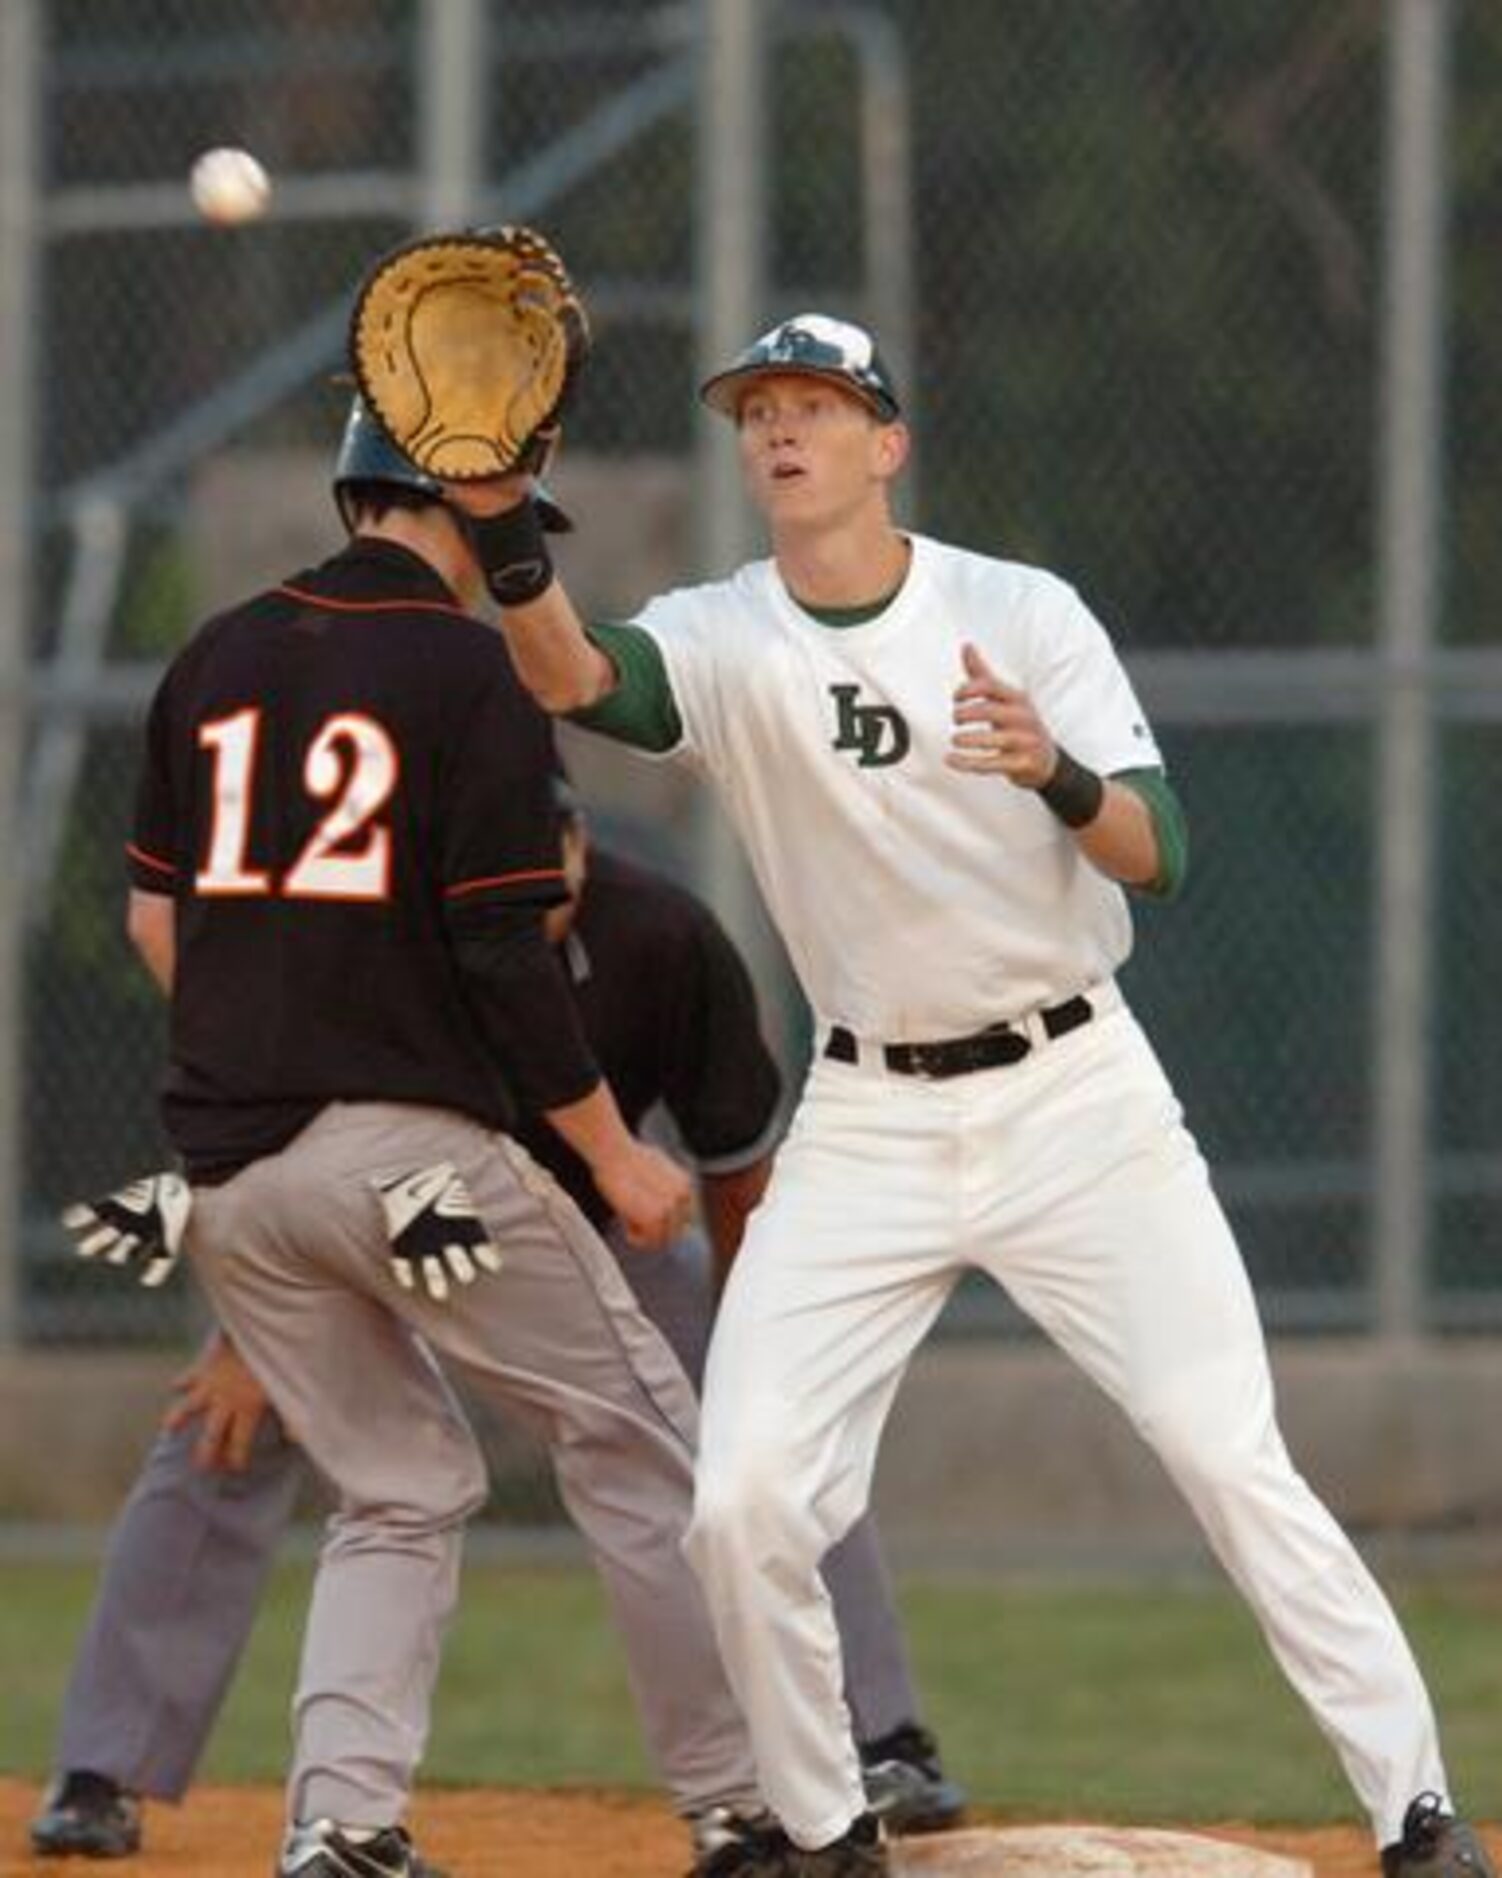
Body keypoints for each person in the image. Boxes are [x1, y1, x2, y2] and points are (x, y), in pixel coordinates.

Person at [460, 312, 1496, 1878]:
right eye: (759, 411)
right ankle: (822, 1828)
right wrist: (502, 542)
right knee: (740, 1499)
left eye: (817, 405)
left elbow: (1163, 846)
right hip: (870, 1113)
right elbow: (585, 678)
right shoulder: (731, 631)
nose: (781, 431)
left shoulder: (1017, 612)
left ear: (887, 444)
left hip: (1075, 1094)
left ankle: (1414, 1809)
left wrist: (1056, 775)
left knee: (1222, 1448)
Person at [76, 392, 790, 1878]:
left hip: (234, 1184)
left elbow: (159, 915)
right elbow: (501, 951)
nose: (504, 551)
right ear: (452, 504)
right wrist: (608, 1151)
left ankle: (340, 1824)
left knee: (402, 1484)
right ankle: (741, 1807)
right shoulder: (470, 672)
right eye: (504, 518)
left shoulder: (209, 658)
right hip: (405, 1162)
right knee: (646, 1437)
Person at [32, 780, 964, 1864]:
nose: (523, 885)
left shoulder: (662, 938)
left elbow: (733, 1162)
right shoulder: (398, 941)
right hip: (395, 1219)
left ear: (579, 845)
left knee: (770, 1429)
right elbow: (292, 1120)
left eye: (543, 857)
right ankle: (104, 1768)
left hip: (602, 1227)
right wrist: (250, 1339)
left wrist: (755, 1340)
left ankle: (881, 1734)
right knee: (220, 1427)